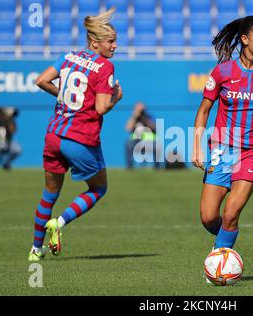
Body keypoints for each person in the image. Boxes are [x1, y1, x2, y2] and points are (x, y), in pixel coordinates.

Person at [191, 16, 253, 278]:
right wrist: (198, 146)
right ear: (245, 39)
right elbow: (203, 111)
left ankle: (220, 262)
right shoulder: (222, 72)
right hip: (222, 149)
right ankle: (226, 238)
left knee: (231, 211)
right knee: (208, 216)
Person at [28, 7, 123, 261]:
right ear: (95, 42)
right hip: (80, 137)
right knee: (98, 188)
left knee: (49, 194)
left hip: (54, 135)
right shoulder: (105, 67)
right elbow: (102, 107)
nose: (115, 46)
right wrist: (116, 97)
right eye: (110, 41)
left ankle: (36, 251)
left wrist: (66, 98)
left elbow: (41, 80)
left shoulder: (68, 56)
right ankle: (58, 223)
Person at [124, 102, 159, 169]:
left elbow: (155, 127)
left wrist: (144, 118)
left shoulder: (149, 117)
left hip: (149, 142)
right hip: (136, 142)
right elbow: (128, 128)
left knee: (157, 145)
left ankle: (157, 167)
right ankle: (129, 167)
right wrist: (134, 116)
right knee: (128, 144)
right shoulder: (133, 118)